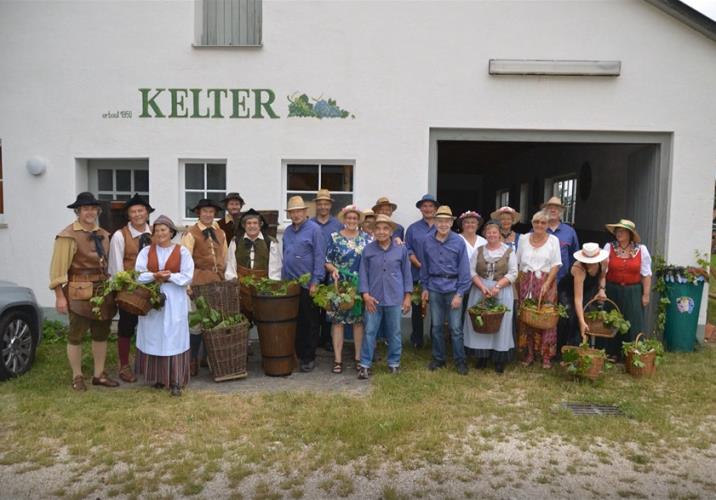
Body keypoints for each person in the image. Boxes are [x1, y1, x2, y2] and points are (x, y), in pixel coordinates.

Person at [49, 192, 119, 391]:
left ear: (98, 210)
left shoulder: (104, 235)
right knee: (76, 335)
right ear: (78, 211)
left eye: (93, 208)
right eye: (85, 208)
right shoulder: (67, 235)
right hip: (77, 290)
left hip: (102, 290)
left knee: (101, 334)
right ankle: (77, 376)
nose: (90, 212)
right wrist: (59, 297)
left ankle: (99, 374)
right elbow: (58, 269)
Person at [135, 216, 194, 397]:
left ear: (171, 232)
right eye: (157, 230)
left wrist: (169, 277)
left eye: (164, 230)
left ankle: (176, 380)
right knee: (155, 335)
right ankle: (158, 378)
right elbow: (138, 274)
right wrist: (154, 275)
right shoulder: (146, 251)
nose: (160, 233)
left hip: (175, 298)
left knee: (173, 336)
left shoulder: (182, 251)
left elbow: (187, 276)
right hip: (152, 299)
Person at [358, 215, 412, 379]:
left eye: (385, 228)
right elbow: (363, 274)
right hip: (373, 298)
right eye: (378, 228)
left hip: (394, 297)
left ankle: (394, 363)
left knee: (394, 332)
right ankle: (365, 365)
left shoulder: (400, 249)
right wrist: (365, 295)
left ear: (391, 231)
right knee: (370, 331)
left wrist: (407, 296)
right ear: (373, 231)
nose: (381, 232)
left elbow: (407, 273)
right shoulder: (368, 250)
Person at [108, 193, 154, 383]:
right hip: (130, 290)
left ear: (147, 213)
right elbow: (116, 267)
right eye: (133, 211)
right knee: (127, 326)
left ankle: (147, 361)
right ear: (128, 215)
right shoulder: (120, 236)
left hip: (152, 288)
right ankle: (124, 365)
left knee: (150, 327)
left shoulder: (155, 234)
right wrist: (122, 289)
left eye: (140, 210)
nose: (137, 214)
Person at [420, 206, 471, 374]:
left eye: (446, 221)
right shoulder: (427, 241)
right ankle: (438, 358)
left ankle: (460, 361)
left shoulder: (458, 241)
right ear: (434, 222)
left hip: (453, 288)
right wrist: (425, 287)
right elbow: (424, 267)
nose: (443, 224)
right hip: (434, 287)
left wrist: (460, 293)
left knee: (456, 328)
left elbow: (464, 269)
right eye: (439, 221)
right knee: (436, 326)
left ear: (451, 223)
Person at [463, 220, 517, 373]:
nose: (492, 235)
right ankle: (482, 357)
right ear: (485, 234)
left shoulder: (509, 252)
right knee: (480, 321)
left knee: (500, 323)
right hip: (480, 290)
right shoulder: (479, 250)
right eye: (489, 232)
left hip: (502, 289)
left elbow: (513, 272)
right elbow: (471, 271)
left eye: (495, 232)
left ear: (500, 234)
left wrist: (498, 286)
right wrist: (482, 287)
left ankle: (499, 360)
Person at [181, 198, 228, 376]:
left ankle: (207, 358)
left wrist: (223, 278)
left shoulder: (221, 233)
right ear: (198, 213)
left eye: (211, 211)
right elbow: (184, 262)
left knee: (213, 320)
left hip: (216, 282)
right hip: (198, 281)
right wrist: (188, 286)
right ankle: (192, 359)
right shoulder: (191, 234)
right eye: (204, 211)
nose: (208, 214)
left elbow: (224, 258)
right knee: (197, 321)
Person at [283, 195, 326, 372]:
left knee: (310, 322)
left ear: (305, 212)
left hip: (308, 284)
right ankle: (298, 354)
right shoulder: (287, 231)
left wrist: (316, 280)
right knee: (295, 321)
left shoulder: (314, 229)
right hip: (290, 285)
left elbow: (319, 256)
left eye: (298, 211)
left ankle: (308, 357)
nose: (295, 215)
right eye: (292, 212)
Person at [324, 205, 369, 373]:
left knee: (358, 323)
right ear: (344, 220)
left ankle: (358, 358)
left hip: (358, 285)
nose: (351, 221)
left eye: (354, 218)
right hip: (338, 285)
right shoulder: (334, 237)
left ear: (358, 221)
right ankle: (337, 360)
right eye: (349, 218)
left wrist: (397, 241)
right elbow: (327, 260)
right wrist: (333, 269)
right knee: (337, 323)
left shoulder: (366, 238)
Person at [516, 210, 562, 368]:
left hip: (546, 282)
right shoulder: (523, 239)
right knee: (528, 317)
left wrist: (547, 283)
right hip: (526, 281)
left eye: (543, 223)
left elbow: (556, 264)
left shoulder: (553, 240)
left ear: (548, 225)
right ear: (532, 223)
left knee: (546, 318)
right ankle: (529, 353)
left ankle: (546, 355)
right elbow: (518, 262)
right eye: (536, 222)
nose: (539, 225)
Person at [602, 219, 652, 357]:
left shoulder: (641, 250)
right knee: (611, 321)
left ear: (630, 234)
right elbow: (603, 271)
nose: (619, 233)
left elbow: (646, 274)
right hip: (612, 289)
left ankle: (633, 355)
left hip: (633, 291)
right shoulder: (608, 247)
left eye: (622, 231)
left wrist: (646, 294)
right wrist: (602, 289)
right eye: (617, 230)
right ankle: (610, 354)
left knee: (633, 321)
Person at [225, 208, 282, 322]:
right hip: (241, 288)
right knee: (242, 321)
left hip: (262, 288)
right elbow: (231, 264)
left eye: (255, 223)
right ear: (244, 225)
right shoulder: (235, 241)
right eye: (249, 223)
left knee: (263, 320)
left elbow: (275, 269)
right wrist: (233, 285)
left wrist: (272, 289)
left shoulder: (270, 242)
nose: (252, 226)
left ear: (260, 225)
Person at [541, 197, 580, 352]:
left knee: (564, 316)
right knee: (543, 315)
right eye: (550, 207)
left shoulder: (569, 232)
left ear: (561, 211)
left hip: (563, 281)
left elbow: (575, 256)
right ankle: (543, 349)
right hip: (542, 281)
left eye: (556, 207)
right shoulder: (538, 227)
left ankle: (560, 349)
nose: (553, 210)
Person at [311, 189, 344, 352]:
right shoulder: (309, 224)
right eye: (320, 203)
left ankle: (327, 339)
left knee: (330, 305)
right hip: (314, 270)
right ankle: (314, 338)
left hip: (332, 270)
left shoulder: (338, 224)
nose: (323, 206)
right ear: (316, 205)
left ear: (330, 205)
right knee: (314, 306)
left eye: (326, 203)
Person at [405, 194, 438, 349]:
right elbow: (408, 249)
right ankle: (417, 340)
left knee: (435, 309)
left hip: (436, 276)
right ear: (420, 208)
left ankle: (434, 340)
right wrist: (417, 263)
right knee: (417, 309)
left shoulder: (441, 227)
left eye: (430, 206)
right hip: (416, 273)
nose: (427, 209)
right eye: (424, 206)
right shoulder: (412, 228)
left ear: (435, 208)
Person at [568, 243, 609, 345]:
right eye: (588, 262)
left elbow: (602, 277)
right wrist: (582, 322)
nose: (590, 264)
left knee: (591, 312)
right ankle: (572, 346)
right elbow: (578, 299)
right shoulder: (579, 269)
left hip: (590, 287)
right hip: (569, 292)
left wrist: (601, 289)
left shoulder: (604, 261)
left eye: (593, 262)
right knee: (573, 317)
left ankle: (591, 346)